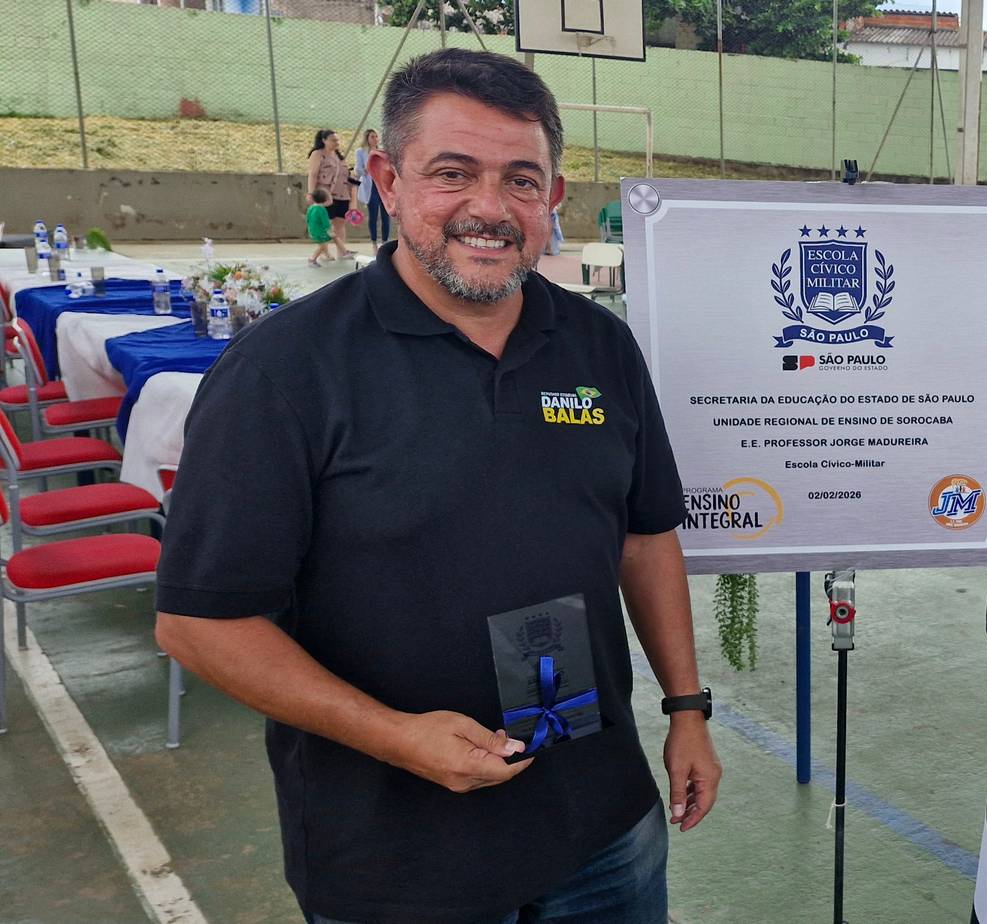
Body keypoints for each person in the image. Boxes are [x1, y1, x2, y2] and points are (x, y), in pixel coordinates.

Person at [154, 48, 722, 924]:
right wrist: (395, 736)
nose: (489, 209)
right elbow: (199, 622)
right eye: (453, 174)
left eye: (521, 180)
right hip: (396, 863)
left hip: (602, 832)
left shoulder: (599, 347)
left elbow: (645, 538)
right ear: (386, 179)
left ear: (552, 198)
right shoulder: (284, 371)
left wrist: (686, 709)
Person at [306, 128, 357, 260]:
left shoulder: (339, 157)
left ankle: (342, 252)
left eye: (337, 140)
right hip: (325, 194)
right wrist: (311, 193)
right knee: (325, 225)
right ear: (324, 140)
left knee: (340, 222)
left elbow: (347, 176)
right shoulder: (318, 154)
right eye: (333, 140)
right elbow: (313, 174)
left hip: (342, 193)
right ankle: (325, 253)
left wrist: (352, 198)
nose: (336, 143)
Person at [354, 128, 391, 249]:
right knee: (373, 216)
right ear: (367, 138)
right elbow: (357, 170)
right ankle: (374, 243)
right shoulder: (360, 152)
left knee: (386, 215)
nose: (375, 139)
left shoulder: (383, 151)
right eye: (372, 137)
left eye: (376, 136)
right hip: (370, 187)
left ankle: (385, 242)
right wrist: (366, 169)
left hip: (382, 186)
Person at [304, 189, 333, 267]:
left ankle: (325, 256)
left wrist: (309, 228)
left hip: (312, 230)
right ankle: (312, 259)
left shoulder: (311, 208)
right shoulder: (321, 209)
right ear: (325, 199)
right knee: (322, 246)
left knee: (322, 245)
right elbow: (325, 222)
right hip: (320, 231)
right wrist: (329, 230)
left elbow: (307, 218)